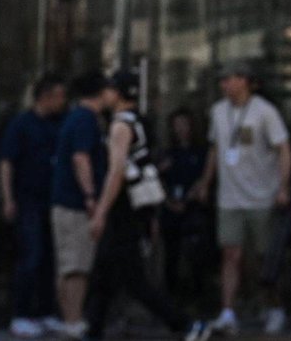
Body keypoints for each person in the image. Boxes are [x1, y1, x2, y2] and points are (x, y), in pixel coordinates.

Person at [85, 71, 211, 341]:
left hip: (123, 206)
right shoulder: (141, 122)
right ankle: (93, 330)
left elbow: (116, 171)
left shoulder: (120, 125)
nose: (105, 94)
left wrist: (101, 212)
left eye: (109, 89)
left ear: (118, 93)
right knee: (103, 272)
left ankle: (185, 324)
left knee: (132, 278)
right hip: (138, 205)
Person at [193, 61, 291, 335]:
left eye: (230, 79)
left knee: (264, 257)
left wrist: (283, 186)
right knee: (230, 253)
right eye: (223, 80)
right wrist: (205, 182)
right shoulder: (217, 111)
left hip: (262, 196)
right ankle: (228, 311)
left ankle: (273, 306)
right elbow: (215, 148)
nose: (224, 85)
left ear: (245, 81)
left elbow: (284, 149)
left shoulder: (265, 112)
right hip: (229, 197)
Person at [0, 74, 67, 337]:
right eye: (58, 96)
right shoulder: (22, 124)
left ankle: (45, 311)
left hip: (52, 199)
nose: (62, 101)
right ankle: (21, 313)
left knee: (49, 258)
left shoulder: (58, 124)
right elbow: (7, 162)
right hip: (28, 200)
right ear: (45, 97)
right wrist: (8, 198)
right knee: (31, 256)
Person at [50, 72, 108, 340]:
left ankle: (70, 319)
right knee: (76, 266)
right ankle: (73, 321)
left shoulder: (75, 117)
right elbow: (80, 158)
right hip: (74, 205)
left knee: (68, 264)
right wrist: (90, 195)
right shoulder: (85, 119)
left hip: (64, 202)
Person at [158, 107, 210, 304]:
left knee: (196, 255)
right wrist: (169, 201)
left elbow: (204, 178)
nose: (181, 129)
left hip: (193, 209)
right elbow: (157, 180)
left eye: (184, 124)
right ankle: (171, 296)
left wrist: (190, 198)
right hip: (170, 209)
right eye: (177, 125)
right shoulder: (168, 154)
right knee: (171, 254)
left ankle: (198, 296)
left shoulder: (201, 152)